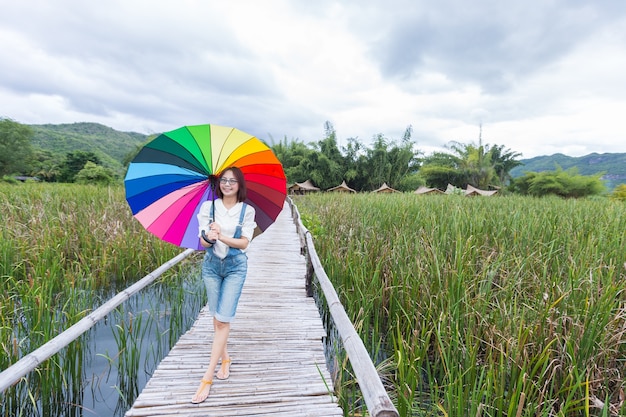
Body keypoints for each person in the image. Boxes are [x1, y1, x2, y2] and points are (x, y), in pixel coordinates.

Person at [191, 166, 257, 404]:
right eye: (224, 180)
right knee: (217, 317)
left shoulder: (246, 211)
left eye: (233, 181)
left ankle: (207, 377)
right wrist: (209, 236)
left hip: (235, 267)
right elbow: (203, 242)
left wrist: (222, 236)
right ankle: (225, 358)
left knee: (223, 318)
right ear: (218, 183)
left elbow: (244, 243)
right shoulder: (208, 208)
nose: (227, 184)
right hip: (210, 266)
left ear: (240, 185)